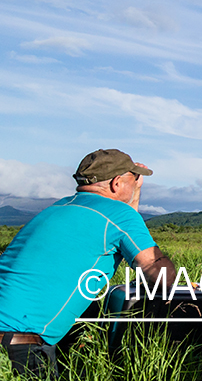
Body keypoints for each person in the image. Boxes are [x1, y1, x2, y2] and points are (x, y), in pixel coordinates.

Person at [0, 149, 176, 377]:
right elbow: (161, 275)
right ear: (116, 183)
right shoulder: (118, 216)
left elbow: (121, 223)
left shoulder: (57, 208)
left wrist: (135, 189)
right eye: (134, 179)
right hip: (22, 343)